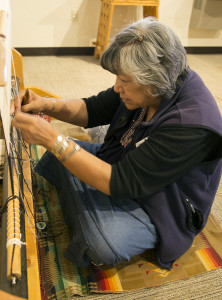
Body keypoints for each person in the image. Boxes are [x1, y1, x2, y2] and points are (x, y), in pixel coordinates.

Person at [11, 18, 222, 269]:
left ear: (152, 78)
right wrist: (47, 104)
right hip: (128, 164)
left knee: (103, 244)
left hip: (165, 203)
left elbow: (122, 182)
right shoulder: (151, 83)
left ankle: (82, 196)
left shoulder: (191, 123)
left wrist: (53, 140)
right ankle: (83, 195)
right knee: (65, 156)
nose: (116, 86)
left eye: (124, 80)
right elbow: (92, 109)